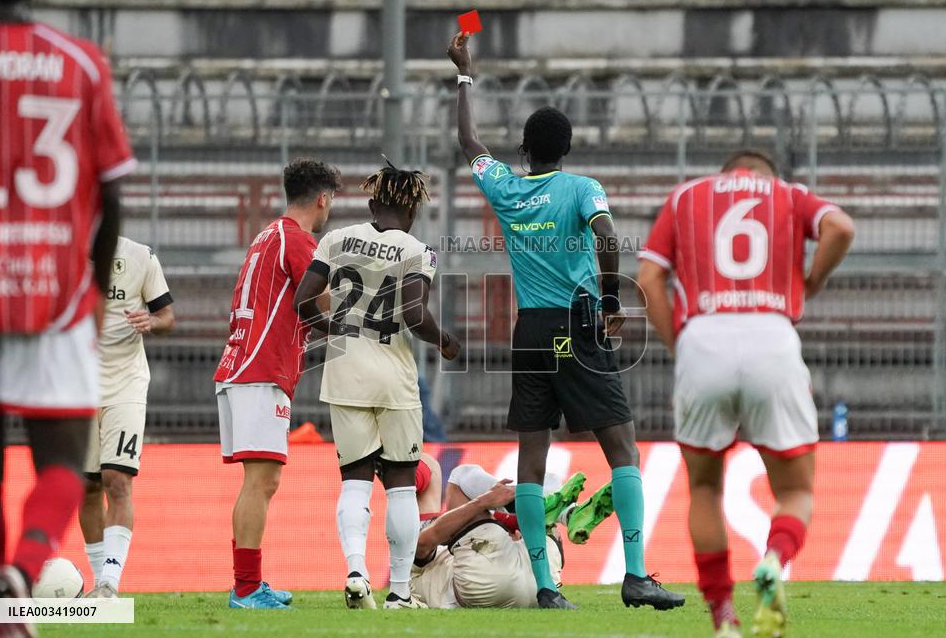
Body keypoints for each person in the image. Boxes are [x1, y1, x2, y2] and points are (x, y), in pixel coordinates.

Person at [447, 31, 684, 611]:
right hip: (576, 328)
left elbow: (468, 141)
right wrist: (609, 301)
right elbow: (606, 236)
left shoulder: (505, 186)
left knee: (532, 458)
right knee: (622, 449)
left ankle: (545, 588)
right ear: (567, 149)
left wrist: (463, 76)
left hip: (531, 333)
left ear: (525, 151)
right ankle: (634, 575)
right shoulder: (581, 187)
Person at [637, 150, 855, 637]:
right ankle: (775, 559)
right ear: (764, 176)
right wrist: (811, 281)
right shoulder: (788, 196)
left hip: (703, 337)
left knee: (705, 489)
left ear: (727, 174)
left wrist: (681, 344)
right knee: (796, 491)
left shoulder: (685, 197)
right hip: (771, 335)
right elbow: (841, 227)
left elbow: (649, 277)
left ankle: (724, 619)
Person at [0, 0, 131, 636]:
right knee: (66, 461)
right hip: (57, 288)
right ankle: (21, 575)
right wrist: (94, 287)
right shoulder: (81, 62)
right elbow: (114, 193)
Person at [295, 162, 461, 610]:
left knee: (354, 482)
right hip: (393, 380)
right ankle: (401, 593)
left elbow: (302, 302)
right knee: (402, 486)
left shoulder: (334, 240)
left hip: (344, 375)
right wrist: (445, 340)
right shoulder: (419, 251)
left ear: (372, 204)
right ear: (413, 212)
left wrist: (334, 332)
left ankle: (355, 572)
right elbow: (413, 315)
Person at [214, 158, 339, 610]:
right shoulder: (299, 240)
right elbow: (321, 300)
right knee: (261, 482)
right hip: (260, 371)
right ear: (323, 198)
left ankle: (249, 584)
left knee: (260, 481)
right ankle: (246, 589)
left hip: (243, 366)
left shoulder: (269, 233)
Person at [77, 236, 175, 597]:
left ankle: (109, 583)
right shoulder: (63, 253)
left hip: (126, 385)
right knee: (86, 488)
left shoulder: (139, 256)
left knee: (116, 480)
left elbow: (167, 316)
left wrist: (151, 321)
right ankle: (100, 580)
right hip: (77, 388)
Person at [411, 466, 616, 609]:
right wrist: (484, 501)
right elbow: (421, 545)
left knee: (547, 479)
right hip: (524, 579)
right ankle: (563, 512)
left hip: (516, 578)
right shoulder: (413, 559)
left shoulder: (430, 559)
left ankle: (555, 509)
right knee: (459, 477)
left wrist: (492, 503)